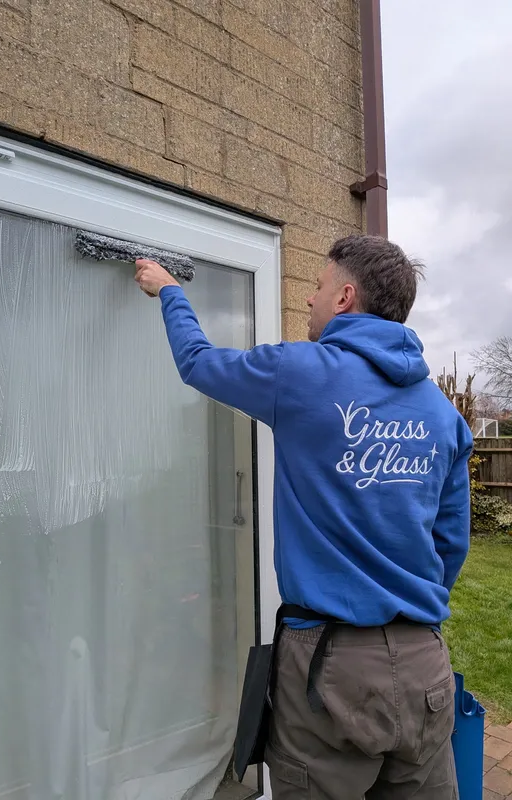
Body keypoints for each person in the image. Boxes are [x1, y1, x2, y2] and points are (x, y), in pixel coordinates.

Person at [134, 234, 473, 800]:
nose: (308, 302)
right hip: (425, 665)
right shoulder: (441, 414)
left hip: (330, 667)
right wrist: (406, 605)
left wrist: (169, 290)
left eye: (315, 288)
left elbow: (198, 362)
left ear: (344, 297)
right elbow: (451, 543)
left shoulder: (300, 372)